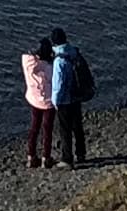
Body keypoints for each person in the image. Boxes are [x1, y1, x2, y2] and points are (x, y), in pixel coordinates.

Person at [55, 33, 96, 165]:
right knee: (78, 127)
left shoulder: (59, 60)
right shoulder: (75, 53)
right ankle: (81, 154)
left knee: (65, 129)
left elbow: (58, 85)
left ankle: (67, 158)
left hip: (65, 100)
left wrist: (55, 101)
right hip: (77, 96)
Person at [20, 30, 58, 168]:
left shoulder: (27, 63)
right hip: (48, 102)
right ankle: (46, 158)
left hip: (34, 99)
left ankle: (31, 156)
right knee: (47, 130)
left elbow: (28, 54)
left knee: (34, 127)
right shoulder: (49, 68)